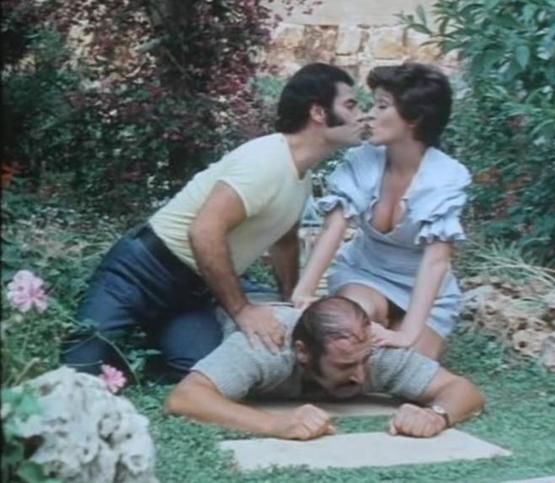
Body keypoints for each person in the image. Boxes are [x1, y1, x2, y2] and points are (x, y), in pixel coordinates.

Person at [62, 63, 366, 379]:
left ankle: (138, 352)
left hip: (195, 290)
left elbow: (283, 240)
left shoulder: (301, 176)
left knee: (196, 368)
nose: (362, 115)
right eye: (351, 105)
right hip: (141, 270)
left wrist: (290, 298)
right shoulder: (267, 161)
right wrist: (243, 310)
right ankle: (121, 346)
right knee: (80, 367)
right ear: (318, 112)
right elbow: (204, 231)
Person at [291, 63, 471, 360]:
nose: (369, 114)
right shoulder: (364, 159)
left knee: (405, 366)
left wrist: (407, 335)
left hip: (425, 289)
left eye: (382, 106)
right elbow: (335, 226)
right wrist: (303, 292)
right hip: (365, 274)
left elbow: (436, 261)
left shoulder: (446, 176)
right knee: (347, 338)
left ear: (414, 118)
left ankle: (407, 331)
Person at [165, 296, 484, 440]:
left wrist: (437, 415)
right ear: (303, 352)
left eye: (363, 361)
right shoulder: (267, 346)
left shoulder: (373, 351)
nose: (360, 375)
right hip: (210, 311)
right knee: (181, 357)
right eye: (345, 365)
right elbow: (185, 398)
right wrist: (273, 424)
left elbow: (462, 389)